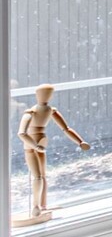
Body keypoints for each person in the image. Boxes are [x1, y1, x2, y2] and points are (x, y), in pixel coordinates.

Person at [15, 83, 89, 226]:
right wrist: (35, 145)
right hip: (31, 146)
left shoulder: (51, 110)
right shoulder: (30, 112)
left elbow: (66, 128)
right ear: (37, 95)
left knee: (43, 176)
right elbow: (22, 133)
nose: (47, 97)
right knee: (37, 176)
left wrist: (80, 142)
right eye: (44, 93)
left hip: (42, 143)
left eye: (49, 94)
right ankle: (35, 206)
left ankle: (43, 205)